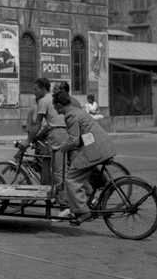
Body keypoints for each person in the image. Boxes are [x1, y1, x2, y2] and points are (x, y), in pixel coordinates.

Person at [51, 89, 117, 224]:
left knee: (71, 179)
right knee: (82, 170)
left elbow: (74, 140)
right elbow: (81, 137)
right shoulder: (77, 111)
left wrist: (62, 148)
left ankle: (83, 212)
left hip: (95, 149)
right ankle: (96, 194)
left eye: (54, 105)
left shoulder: (70, 116)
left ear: (58, 105)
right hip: (101, 145)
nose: (54, 108)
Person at [25, 77, 68, 204]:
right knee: (62, 169)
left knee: (58, 171)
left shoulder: (44, 100)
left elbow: (38, 124)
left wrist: (28, 140)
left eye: (36, 89)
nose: (34, 92)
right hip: (64, 133)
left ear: (43, 88)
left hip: (57, 135)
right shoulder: (52, 99)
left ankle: (63, 203)